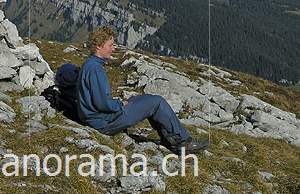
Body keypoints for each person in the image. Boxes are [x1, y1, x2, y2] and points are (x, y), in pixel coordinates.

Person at [49, 29, 197, 153]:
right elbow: (102, 104)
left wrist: (119, 103)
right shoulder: (95, 69)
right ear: (98, 46)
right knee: (156, 102)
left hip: (98, 118)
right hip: (105, 122)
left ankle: (169, 138)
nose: (113, 49)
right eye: (110, 45)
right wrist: (119, 104)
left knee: (148, 99)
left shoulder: (90, 64)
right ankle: (182, 142)